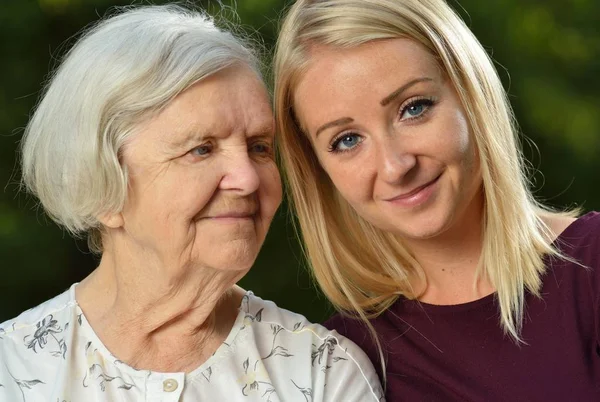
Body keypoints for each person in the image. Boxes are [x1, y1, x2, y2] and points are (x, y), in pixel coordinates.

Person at [0, 5, 384, 401]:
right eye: (201, 149)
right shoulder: (13, 369)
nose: (248, 178)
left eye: (259, 147)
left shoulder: (323, 372)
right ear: (101, 186)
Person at [273, 0, 600, 400]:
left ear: (470, 92)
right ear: (319, 170)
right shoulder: (340, 364)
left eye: (414, 108)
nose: (395, 166)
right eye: (347, 140)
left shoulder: (593, 266)